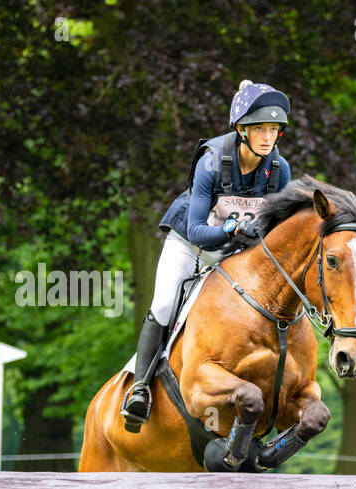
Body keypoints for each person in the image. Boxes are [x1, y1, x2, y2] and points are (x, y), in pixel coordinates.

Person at [120, 79, 294, 430]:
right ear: (241, 130)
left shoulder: (279, 171)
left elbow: (279, 234)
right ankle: (140, 389)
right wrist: (231, 230)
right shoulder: (212, 162)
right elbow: (199, 228)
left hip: (233, 255)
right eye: (259, 128)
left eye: (274, 129)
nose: (267, 137)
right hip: (190, 244)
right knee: (166, 304)